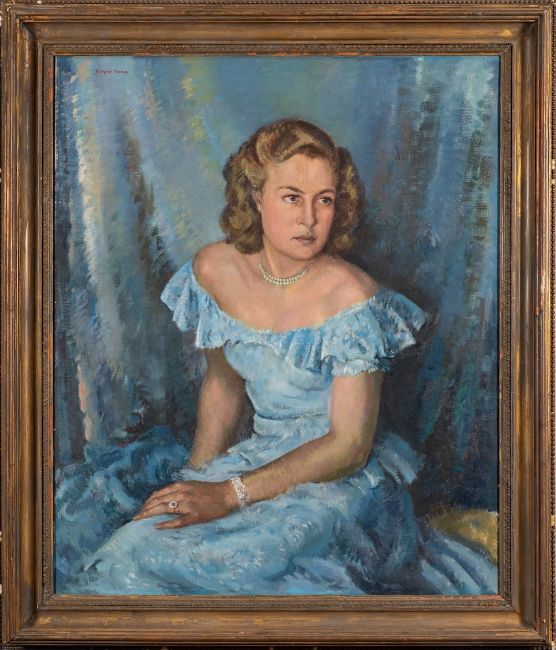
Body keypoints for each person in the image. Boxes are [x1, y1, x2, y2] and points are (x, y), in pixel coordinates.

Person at [61, 118, 496, 595]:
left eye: (324, 200)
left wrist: (228, 494)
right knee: (133, 552)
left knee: (249, 571)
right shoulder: (215, 270)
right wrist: (194, 482)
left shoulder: (353, 298)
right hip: (258, 457)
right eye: (292, 197)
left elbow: (349, 446)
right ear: (255, 197)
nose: (309, 219)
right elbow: (223, 386)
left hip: (340, 481)